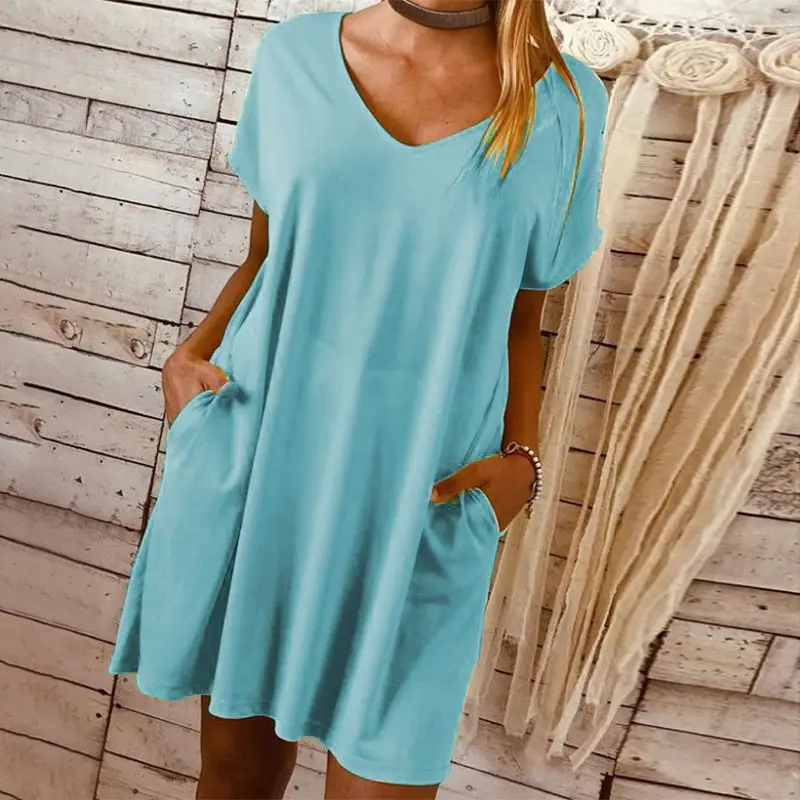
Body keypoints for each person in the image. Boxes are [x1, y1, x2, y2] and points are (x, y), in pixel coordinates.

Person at [108, 0, 608, 797]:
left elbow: (523, 316)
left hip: (424, 501)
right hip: (265, 468)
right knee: (235, 776)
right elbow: (267, 254)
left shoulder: (567, 102)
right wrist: (189, 354)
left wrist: (524, 461)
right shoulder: (295, 57)